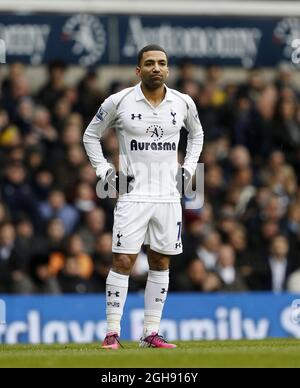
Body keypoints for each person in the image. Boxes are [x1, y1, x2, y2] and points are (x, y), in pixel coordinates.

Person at [83, 44, 203, 348]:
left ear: (168, 68)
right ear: (139, 70)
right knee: (123, 260)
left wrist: (189, 168)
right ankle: (112, 332)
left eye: (162, 63)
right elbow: (90, 135)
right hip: (133, 195)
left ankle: (150, 334)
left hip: (168, 197)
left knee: (161, 261)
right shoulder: (118, 101)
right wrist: (106, 174)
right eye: (149, 63)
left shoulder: (183, 102)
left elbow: (198, 134)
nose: (156, 68)